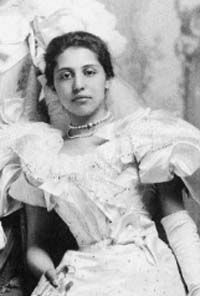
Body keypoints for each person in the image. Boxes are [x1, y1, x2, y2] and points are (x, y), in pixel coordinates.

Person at [3, 29, 200, 296]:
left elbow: (177, 222)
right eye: (65, 75)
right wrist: (48, 270)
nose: (78, 85)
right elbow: (36, 244)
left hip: (149, 276)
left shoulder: (141, 138)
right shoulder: (43, 159)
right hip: (80, 279)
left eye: (89, 72)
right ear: (52, 86)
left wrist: (197, 285)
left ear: (107, 79)